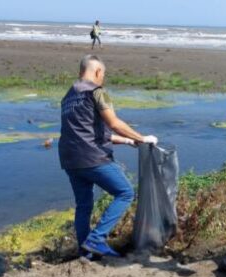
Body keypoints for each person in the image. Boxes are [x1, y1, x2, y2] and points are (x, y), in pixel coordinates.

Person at [59, 55, 158, 259]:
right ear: (97, 72)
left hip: (70, 160)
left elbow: (90, 132)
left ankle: (85, 251)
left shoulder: (67, 97)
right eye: (103, 75)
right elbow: (114, 123)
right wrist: (142, 138)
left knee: (84, 205)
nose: (103, 79)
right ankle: (96, 239)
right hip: (93, 158)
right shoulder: (97, 92)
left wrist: (129, 141)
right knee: (125, 193)